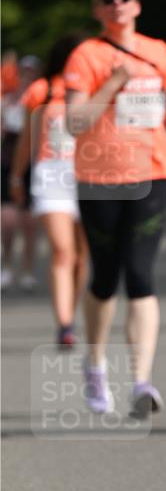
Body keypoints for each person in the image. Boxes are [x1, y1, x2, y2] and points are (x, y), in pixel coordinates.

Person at [64, 0, 166, 416]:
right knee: (105, 277)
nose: (117, 4)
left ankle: (141, 380)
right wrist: (113, 82)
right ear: (97, 10)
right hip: (99, 178)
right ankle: (96, 364)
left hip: (152, 173)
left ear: (137, 5)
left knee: (140, 275)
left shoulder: (157, 49)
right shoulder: (86, 55)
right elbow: (75, 122)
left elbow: (165, 115)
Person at [10, 34, 88, 346]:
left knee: (83, 257)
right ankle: (64, 324)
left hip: (90, 175)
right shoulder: (42, 90)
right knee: (62, 250)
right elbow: (27, 139)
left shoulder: (96, 87)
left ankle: (73, 307)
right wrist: (17, 178)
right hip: (52, 174)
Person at [1, 54, 41, 290]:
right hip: (7, 163)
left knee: (29, 223)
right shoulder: (6, 100)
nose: (27, 76)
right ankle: (6, 265)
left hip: (32, 164)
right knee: (6, 221)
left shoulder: (42, 99)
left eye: (31, 72)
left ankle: (27, 269)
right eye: (24, 71)